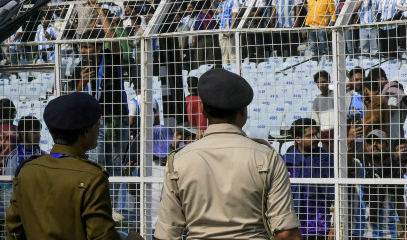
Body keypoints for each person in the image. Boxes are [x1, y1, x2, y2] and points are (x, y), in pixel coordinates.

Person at [153, 68, 303, 239]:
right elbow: (287, 233)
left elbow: (167, 233)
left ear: (202, 110)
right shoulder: (267, 158)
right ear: (244, 112)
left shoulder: (178, 161)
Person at [6, 92, 136, 239]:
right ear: (86, 131)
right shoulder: (92, 177)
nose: (99, 127)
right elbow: (102, 236)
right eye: (97, 123)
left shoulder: (27, 171)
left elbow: (14, 229)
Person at [283, 118, 334, 240]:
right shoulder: (286, 160)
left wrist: (335, 226)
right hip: (291, 227)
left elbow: (336, 193)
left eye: (316, 134)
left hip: (319, 227)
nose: (316, 138)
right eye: (310, 135)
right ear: (298, 139)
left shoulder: (326, 159)